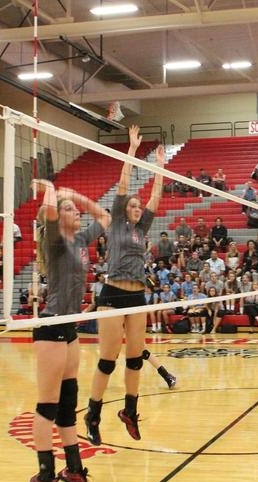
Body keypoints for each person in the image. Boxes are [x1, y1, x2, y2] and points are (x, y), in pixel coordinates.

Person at [28, 178, 111, 482]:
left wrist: (75, 196)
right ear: (58, 217)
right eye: (69, 209)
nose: (76, 211)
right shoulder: (55, 241)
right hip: (50, 328)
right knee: (48, 405)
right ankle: (44, 477)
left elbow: (104, 217)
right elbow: (47, 210)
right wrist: (50, 189)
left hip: (70, 330)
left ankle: (73, 470)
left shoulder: (80, 240)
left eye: (75, 209)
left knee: (67, 404)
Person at [84, 127, 165, 446]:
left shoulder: (142, 227)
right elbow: (123, 181)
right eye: (132, 205)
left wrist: (159, 167)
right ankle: (93, 414)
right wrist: (132, 150)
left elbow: (156, 197)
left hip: (137, 295)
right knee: (108, 359)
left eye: (137, 206)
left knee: (134, 359)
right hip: (113, 293)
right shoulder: (117, 222)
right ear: (123, 209)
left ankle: (130, 411)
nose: (136, 208)